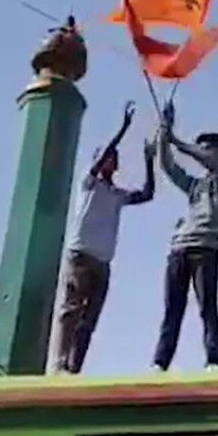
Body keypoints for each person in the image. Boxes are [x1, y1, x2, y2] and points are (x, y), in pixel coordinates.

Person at [54, 101, 155, 374]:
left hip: (102, 262)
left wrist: (148, 160)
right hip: (81, 256)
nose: (112, 159)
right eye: (107, 156)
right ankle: (60, 362)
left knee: (89, 319)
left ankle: (74, 367)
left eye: (114, 157)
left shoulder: (116, 195)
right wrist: (124, 128)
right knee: (71, 310)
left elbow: (147, 194)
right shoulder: (89, 184)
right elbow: (102, 159)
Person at [151, 101, 218, 371]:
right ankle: (160, 362)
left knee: (207, 306)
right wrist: (164, 132)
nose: (201, 151)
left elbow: (206, 160)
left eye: (206, 147)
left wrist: (178, 141)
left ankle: (213, 359)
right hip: (179, 248)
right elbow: (167, 165)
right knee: (172, 310)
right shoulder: (195, 186)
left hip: (206, 248)